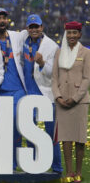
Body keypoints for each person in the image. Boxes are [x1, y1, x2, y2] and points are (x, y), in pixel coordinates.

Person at [21, 14, 62, 174]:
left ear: (42, 27)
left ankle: (57, 168)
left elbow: (55, 73)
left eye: (36, 26)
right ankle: (33, 165)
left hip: (46, 95)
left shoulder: (51, 46)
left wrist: (42, 63)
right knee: (30, 132)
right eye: (31, 27)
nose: (34, 30)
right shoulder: (23, 40)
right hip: (28, 94)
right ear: (27, 29)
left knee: (51, 134)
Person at [52, 21, 90, 183]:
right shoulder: (59, 52)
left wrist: (75, 98)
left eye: (75, 33)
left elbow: (87, 78)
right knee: (66, 138)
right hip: (62, 101)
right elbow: (54, 78)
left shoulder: (86, 52)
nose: (72, 36)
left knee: (80, 138)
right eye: (69, 33)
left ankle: (78, 172)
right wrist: (58, 96)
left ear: (80, 34)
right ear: (65, 34)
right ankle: (69, 173)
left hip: (79, 102)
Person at [0, 7, 27, 171]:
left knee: (14, 125)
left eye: (4, 17)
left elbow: (37, 34)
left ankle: (12, 163)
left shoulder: (17, 36)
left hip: (16, 89)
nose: (2, 20)